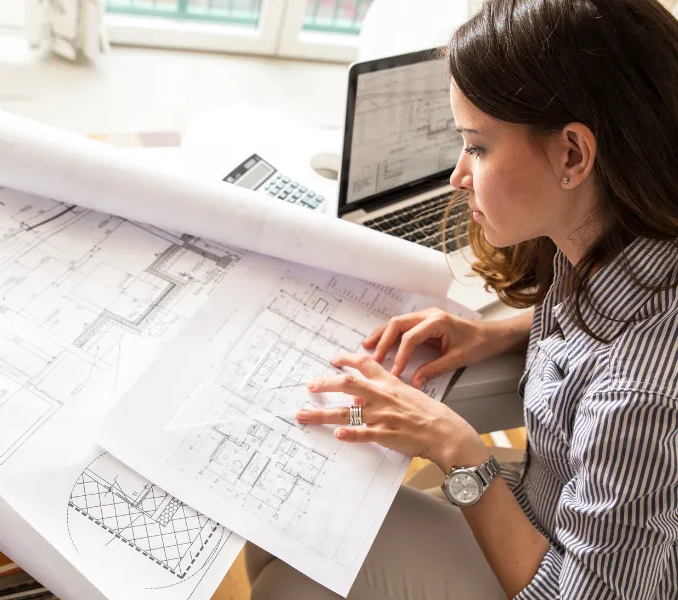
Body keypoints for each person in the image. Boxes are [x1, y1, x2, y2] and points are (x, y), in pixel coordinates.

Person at [246, 0, 678, 597]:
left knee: (292, 582)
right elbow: (612, 326)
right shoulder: (622, 245)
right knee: (282, 527)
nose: (457, 175)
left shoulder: (639, 394)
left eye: (476, 146)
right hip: (549, 502)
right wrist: (503, 331)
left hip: (571, 574)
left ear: (572, 155)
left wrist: (455, 449)